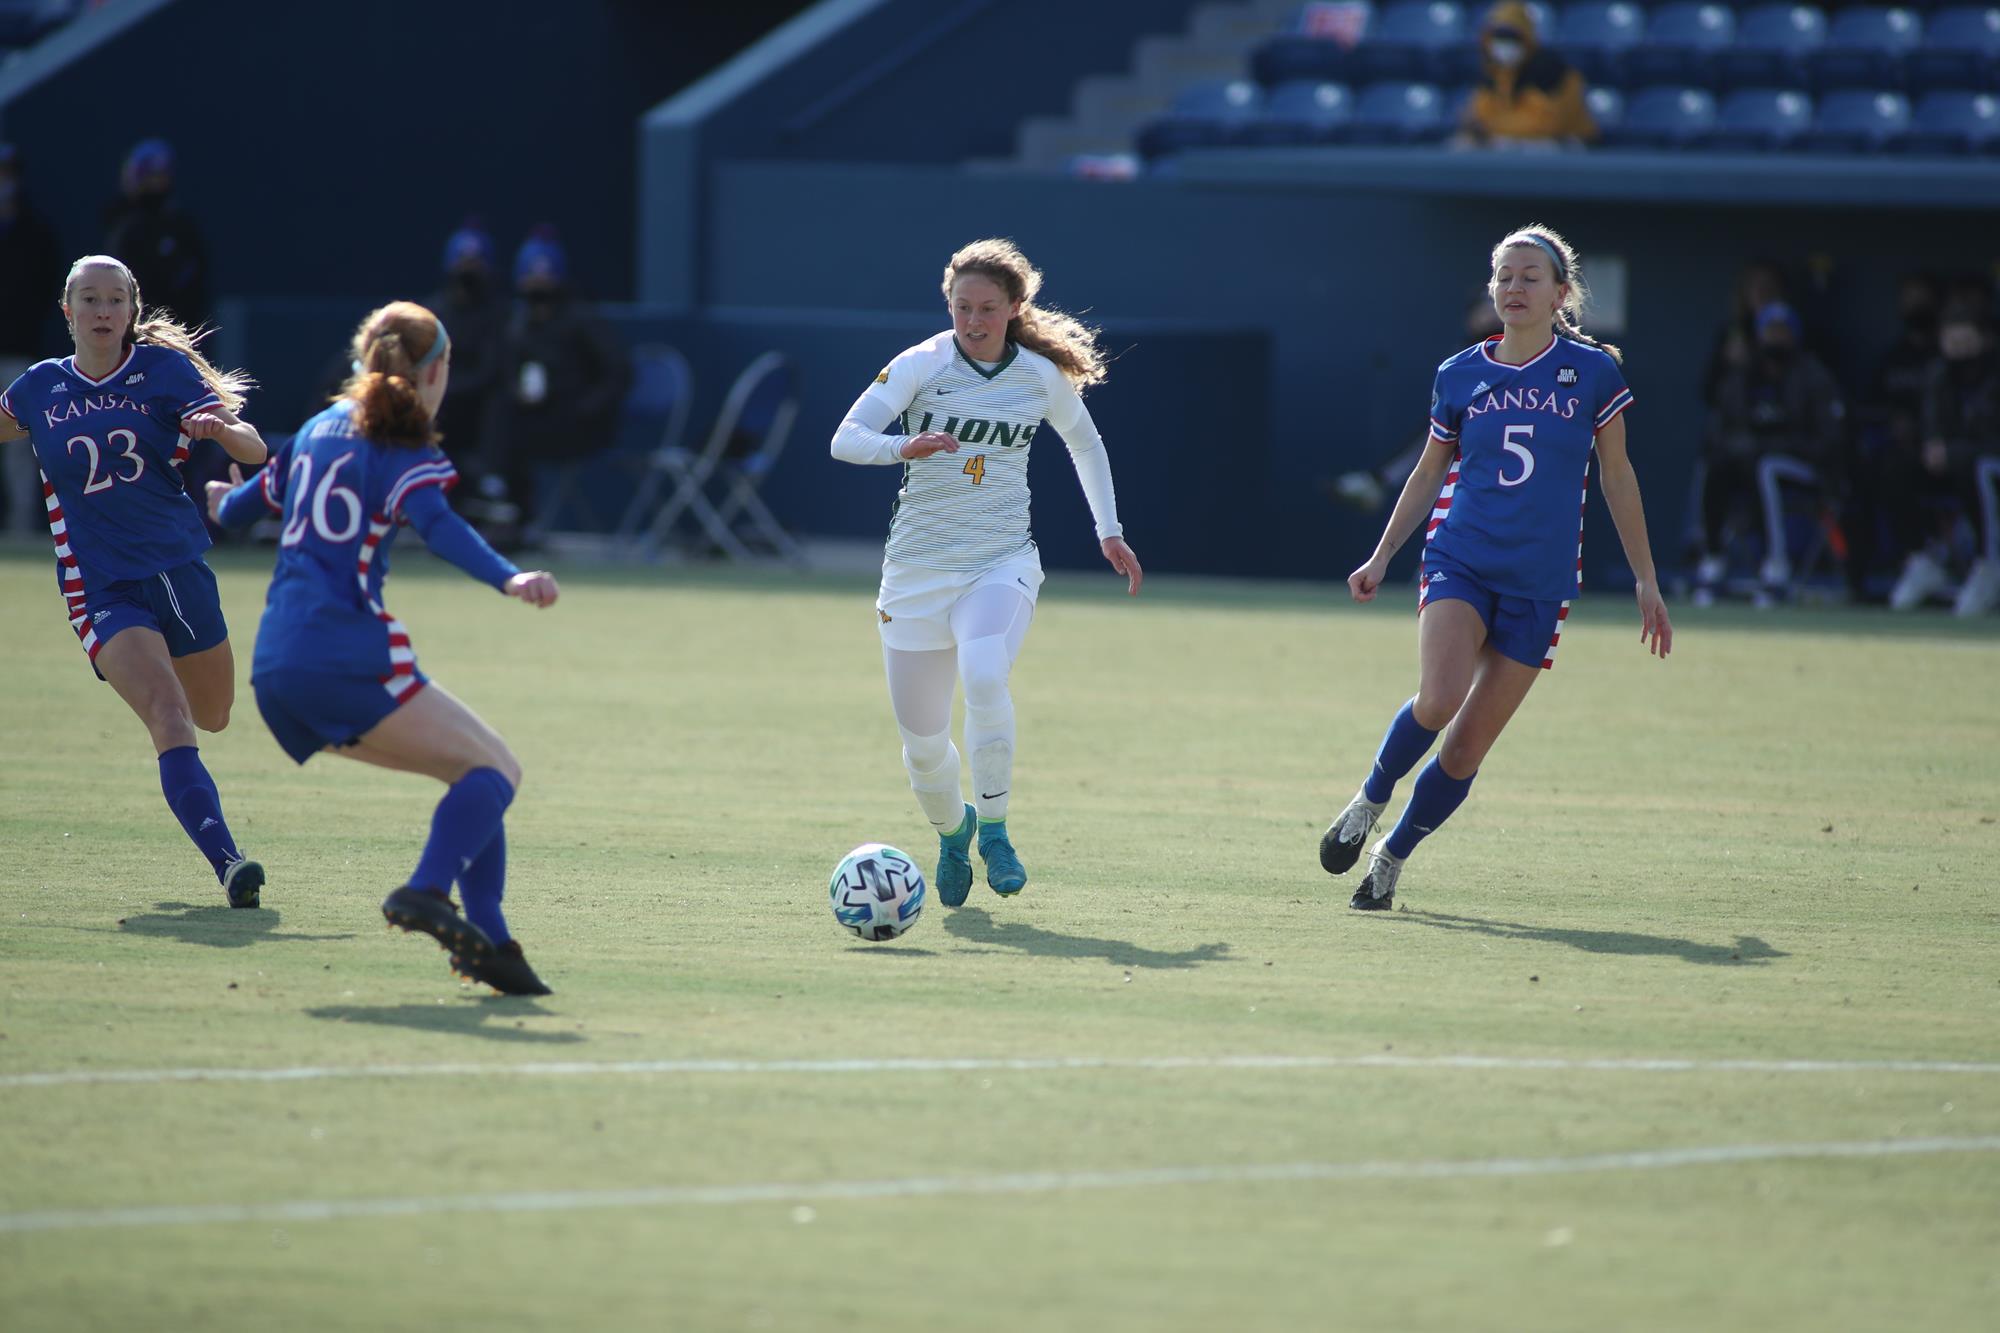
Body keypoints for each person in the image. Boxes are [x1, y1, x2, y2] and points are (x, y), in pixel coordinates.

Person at [208, 301, 561, 995]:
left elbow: (239, 508)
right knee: (498, 772)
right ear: (431, 373)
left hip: (276, 669)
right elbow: (441, 526)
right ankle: (427, 890)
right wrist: (509, 576)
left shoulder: (314, 429)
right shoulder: (399, 445)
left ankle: (491, 941)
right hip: (346, 657)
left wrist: (219, 496)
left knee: (476, 770)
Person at [1319, 224, 1670, 911]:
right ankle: (1368, 798)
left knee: (1464, 750)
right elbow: (1428, 471)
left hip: (1540, 583)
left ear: (1561, 292)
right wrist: (1383, 553)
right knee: (1439, 696)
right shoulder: (1460, 373)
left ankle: (1392, 856)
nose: (1514, 288)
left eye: (1530, 277)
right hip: (1462, 559)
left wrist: (1646, 577)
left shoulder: (1593, 372)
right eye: (1504, 276)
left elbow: (1618, 476)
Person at [830, 238, 1142, 906]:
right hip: (914, 575)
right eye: (962, 307)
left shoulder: (1036, 375)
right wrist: (901, 446)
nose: (974, 321)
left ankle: (995, 830)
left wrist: (1108, 531)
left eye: (988, 309)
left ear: (1014, 309)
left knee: (983, 670)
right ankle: (954, 833)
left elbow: (1084, 442)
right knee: (923, 750)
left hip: (998, 563)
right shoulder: (922, 364)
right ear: (948, 305)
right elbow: (846, 438)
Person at [0, 255, 269, 905]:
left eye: (114, 300)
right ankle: (229, 862)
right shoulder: (37, 388)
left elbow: (255, 449)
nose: (100, 311)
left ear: (131, 311)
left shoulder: (164, 372)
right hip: (100, 589)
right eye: (87, 299)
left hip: (177, 568)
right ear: (66, 311)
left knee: (214, 714)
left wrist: (224, 430)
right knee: (169, 714)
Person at [1693, 300, 1846, 605]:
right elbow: (1722, 430)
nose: (1776, 339)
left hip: (1804, 467)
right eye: (1770, 332)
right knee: (1718, 466)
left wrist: (1772, 447)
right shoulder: (1744, 377)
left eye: (1783, 332)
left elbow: (1828, 439)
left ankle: (1776, 568)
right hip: (1749, 465)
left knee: (1767, 466)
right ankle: (1713, 560)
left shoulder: (1812, 376)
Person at [482, 227, 631, 540]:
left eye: (545, 278)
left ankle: (510, 511)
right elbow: (506, 374)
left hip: (581, 426)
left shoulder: (583, 320)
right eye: (531, 278)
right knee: (500, 414)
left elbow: (619, 372)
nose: (538, 287)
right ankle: (501, 506)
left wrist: (585, 409)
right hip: (536, 419)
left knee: (510, 428)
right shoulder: (517, 325)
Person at [1887, 302, 2000, 614]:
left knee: (1973, 466)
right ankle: (1922, 558)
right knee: (1896, 466)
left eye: (1967, 342)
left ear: (1984, 339)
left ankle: (1989, 564)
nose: (1959, 350)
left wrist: (1955, 451)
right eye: (1953, 342)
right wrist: (1932, 443)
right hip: (1951, 461)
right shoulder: (1938, 374)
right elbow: (1932, 421)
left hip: (1987, 462)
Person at [0, 142, 66, 541]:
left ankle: (20, 529)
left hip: (20, 351)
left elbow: (44, 291)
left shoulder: (35, 233)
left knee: (20, 450)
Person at [1453, 2, 1597, 150]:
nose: (1504, 44)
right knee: (1463, 144)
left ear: (1526, 38)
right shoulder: (1493, 72)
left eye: (1511, 37)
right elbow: (1478, 114)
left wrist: (1489, 128)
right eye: (1498, 37)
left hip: (1568, 145)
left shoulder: (1549, 70)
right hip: (1515, 142)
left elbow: (1542, 125)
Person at [103, 140, 210, 329]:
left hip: (175, 331)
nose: (155, 182)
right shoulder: (123, 227)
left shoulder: (180, 226)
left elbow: (195, 283)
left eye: (160, 175)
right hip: (129, 330)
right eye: (149, 175)